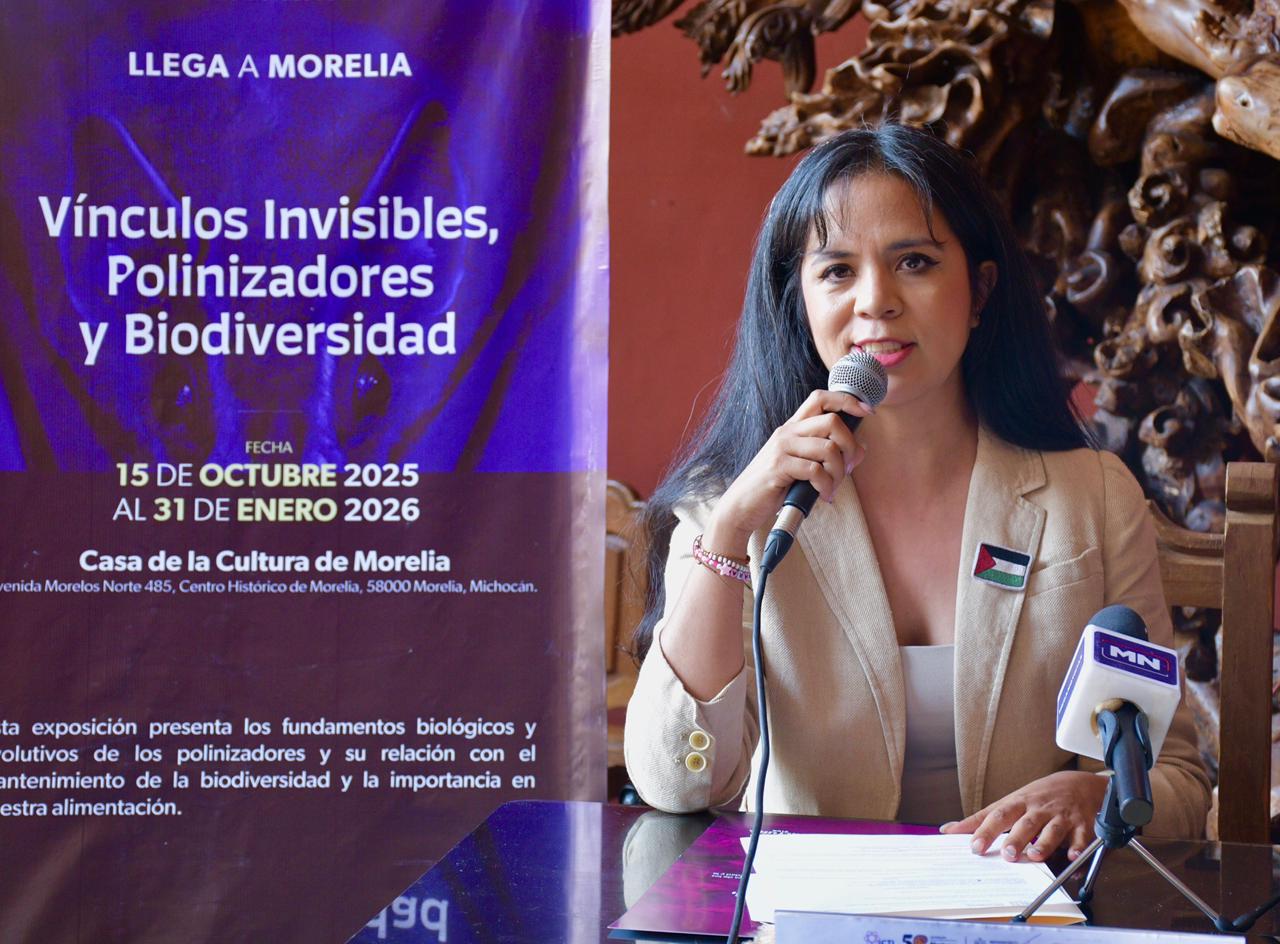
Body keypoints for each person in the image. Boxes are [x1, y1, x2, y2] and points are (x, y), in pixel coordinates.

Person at [623, 123, 1211, 864]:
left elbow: (1178, 783)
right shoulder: (731, 508)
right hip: (810, 909)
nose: (876, 301)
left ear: (980, 291)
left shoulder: (1092, 496)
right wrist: (729, 534)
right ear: (799, 299)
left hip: (1023, 906)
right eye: (837, 270)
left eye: (915, 262)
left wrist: (1097, 796)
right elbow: (675, 785)